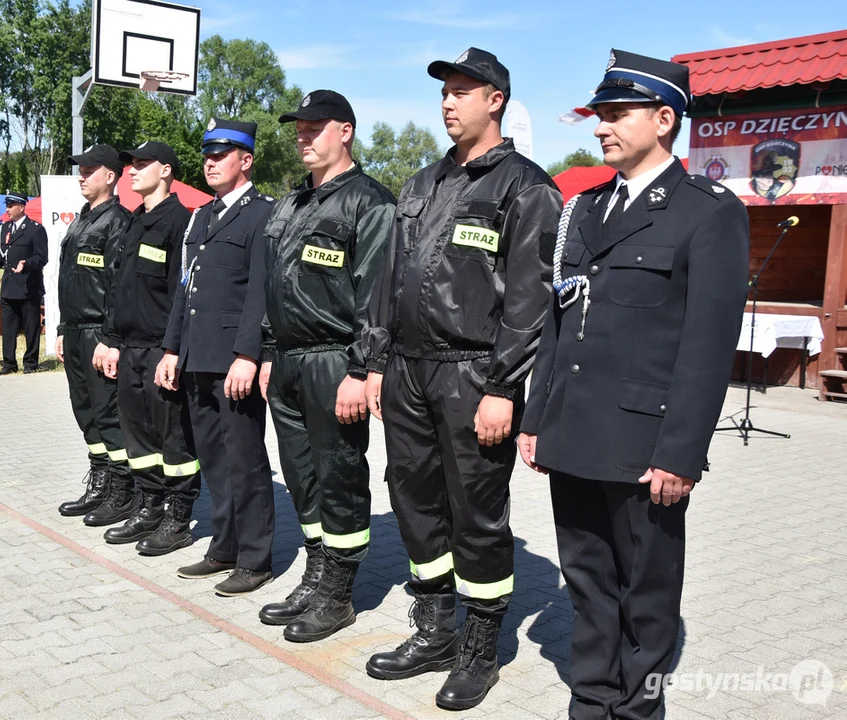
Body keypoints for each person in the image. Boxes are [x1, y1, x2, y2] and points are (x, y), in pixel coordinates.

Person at [517, 50, 750, 720]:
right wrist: (537, 416)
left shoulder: (705, 213)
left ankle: (637, 707)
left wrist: (679, 453)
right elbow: (558, 321)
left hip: (645, 444)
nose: (599, 127)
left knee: (646, 594)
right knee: (586, 582)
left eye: (616, 115)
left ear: (664, 118)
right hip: (574, 431)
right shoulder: (584, 209)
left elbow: (706, 349)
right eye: (599, 115)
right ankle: (591, 699)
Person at [362, 48, 561, 711]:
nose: (446, 102)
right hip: (408, 373)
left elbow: (529, 302)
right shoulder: (421, 185)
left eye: (460, 91)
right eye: (443, 93)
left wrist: (503, 386)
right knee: (415, 507)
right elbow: (388, 282)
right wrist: (376, 365)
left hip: (473, 374)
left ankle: (479, 650)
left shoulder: (525, 188)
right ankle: (432, 633)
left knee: (475, 514)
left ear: (494, 99)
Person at [256, 90, 396, 641]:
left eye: (315, 127)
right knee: (301, 476)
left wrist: (361, 370)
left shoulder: (370, 202)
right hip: (288, 361)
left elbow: (377, 296)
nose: (303, 137)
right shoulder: (290, 204)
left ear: (346, 132)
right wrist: (268, 352)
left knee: (339, 475)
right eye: (299, 129)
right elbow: (274, 286)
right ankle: (316, 572)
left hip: (335, 360)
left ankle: (339, 591)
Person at [156, 118, 276, 597]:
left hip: (232, 360)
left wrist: (249, 353)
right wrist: (171, 348)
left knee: (244, 459)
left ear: (245, 161)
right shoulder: (201, 216)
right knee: (213, 458)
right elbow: (185, 290)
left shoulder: (260, 214)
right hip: (196, 355)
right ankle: (224, 547)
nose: (210, 161)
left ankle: (255, 558)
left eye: (221, 154)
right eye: (207, 153)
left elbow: (261, 292)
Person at [97, 141, 201, 555]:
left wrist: (173, 349)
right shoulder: (134, 221)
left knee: (173, 437)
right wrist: (111, 340)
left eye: (142, 164)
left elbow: (183, 293)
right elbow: (119, 291)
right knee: (137, 435)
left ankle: (178, 516)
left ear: (167, 171)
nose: (132, 171)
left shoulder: (181, 222)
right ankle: (149, 504)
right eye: (131, 165)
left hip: (161, 349)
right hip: (130, 349)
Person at [54, 144, 134, 528]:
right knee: (85, 411)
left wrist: (111, 337)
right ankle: (101, 483)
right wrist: (60, 329)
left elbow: (119, 287)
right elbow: (68, 279)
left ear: (111, 176)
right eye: (79, 170)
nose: (81, 175)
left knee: (108, 412)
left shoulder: (118, 221)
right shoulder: (81, 220)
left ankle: (123, 491)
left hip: (99, 334)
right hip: (74, 330)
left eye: (89, 169)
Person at [0, 192, 48, 374]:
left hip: (28, 286)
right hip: (9, 286)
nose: (7, 209)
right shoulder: (6, 228)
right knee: (8, 327)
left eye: (11, 206)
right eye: (7, 205)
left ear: (22, 207)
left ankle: (30, 363)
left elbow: (42, 258)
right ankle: (9, 363)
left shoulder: (35, 229)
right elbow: (4, 256)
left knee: (31, 327)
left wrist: (27, 264)